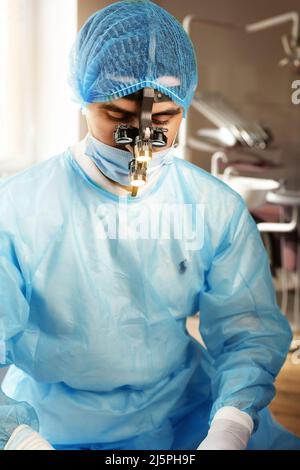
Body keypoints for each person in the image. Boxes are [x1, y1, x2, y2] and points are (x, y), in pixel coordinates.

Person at [0, 0, 300, 451]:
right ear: (84, 101)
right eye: (118, 117)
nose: (140, 141)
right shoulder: (18, 210)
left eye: (161, 120)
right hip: (52, 421)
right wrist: (21, 438)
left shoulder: (212, 208)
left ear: (184, 109)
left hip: (183, 410)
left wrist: (231, 426)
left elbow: (248, 330)